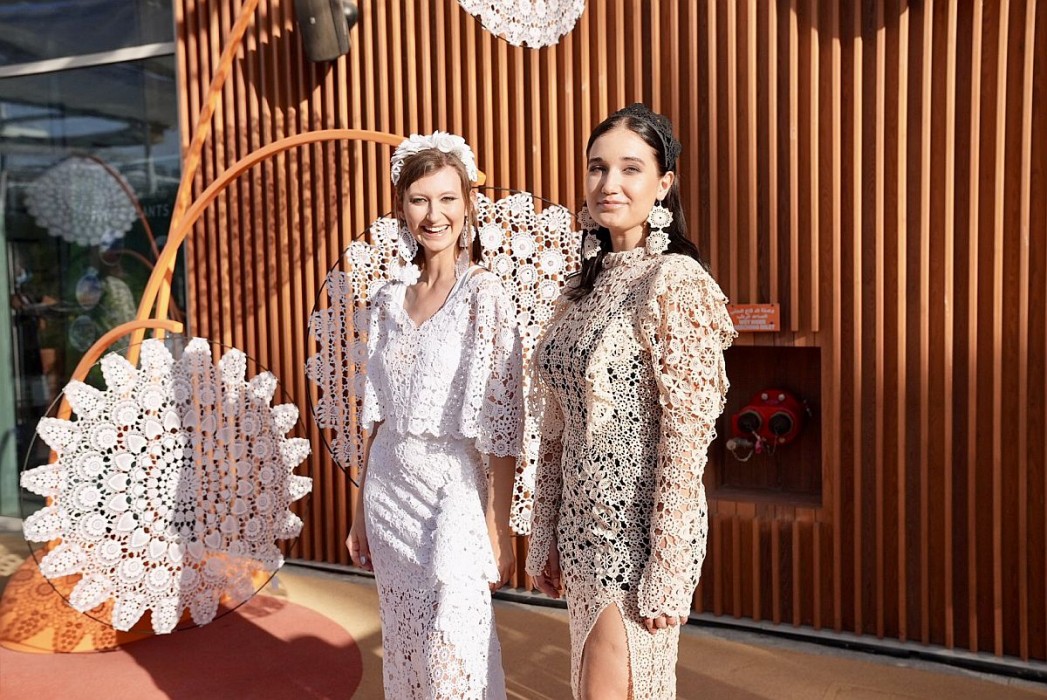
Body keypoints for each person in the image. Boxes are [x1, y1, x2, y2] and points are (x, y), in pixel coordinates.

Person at [525, 104, 737, 699]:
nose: (608, 184)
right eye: (597, 168)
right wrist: (545, 531)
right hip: (580, 536)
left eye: (630, 168)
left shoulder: (675, 281)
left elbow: (685, 440)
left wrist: (668, 568)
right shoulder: (579, 292)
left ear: (664, 184)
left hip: (635, 540)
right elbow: (557, 427)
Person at [346, 131, 523, 699]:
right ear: (402, 208)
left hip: (453, 492)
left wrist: (499, 528)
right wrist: (357, 514)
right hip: (388, 490)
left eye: (447, 198)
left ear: (467, 205)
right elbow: (373, 416)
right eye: (420, 200)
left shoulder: (485, 294)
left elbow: (503, 424)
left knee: (455, 656)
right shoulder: (386, 300)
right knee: (407, 651)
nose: (434, 214)